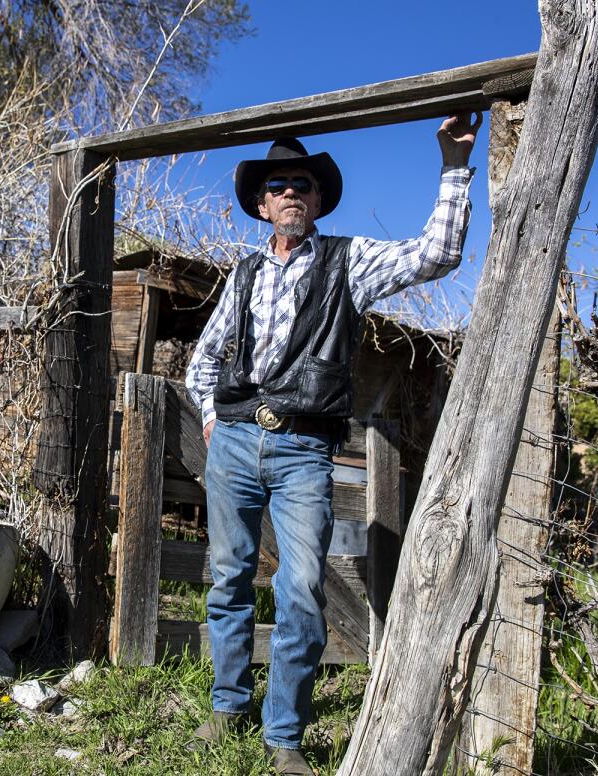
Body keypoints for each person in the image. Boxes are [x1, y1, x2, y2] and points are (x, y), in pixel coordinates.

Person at [183, 113, 481, 775]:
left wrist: (454, 165)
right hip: (232, 444)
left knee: (301, 588)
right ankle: (227, 706)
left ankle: (283, 735)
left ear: (317, 200)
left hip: (303, 452)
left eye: (303, 183)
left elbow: (438, 254)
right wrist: (212, 418)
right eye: (279, 184)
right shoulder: (244, 274)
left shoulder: (350, 263)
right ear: (262, 204)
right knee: (228, 579)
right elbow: (200, 363)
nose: (291, 192)